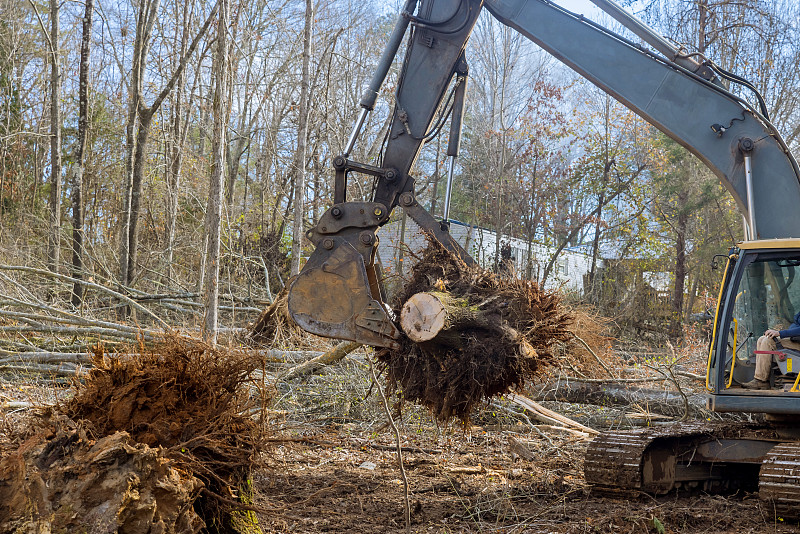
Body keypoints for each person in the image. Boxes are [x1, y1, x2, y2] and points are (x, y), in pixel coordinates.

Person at [742, 310, 800, 389]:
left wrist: (780, 333)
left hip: (797, 342)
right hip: (794, 339)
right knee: (762, 339)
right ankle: (763, 378)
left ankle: (761, 381)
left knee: (768, 341)